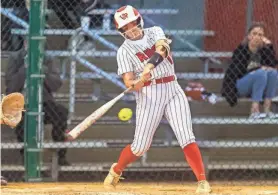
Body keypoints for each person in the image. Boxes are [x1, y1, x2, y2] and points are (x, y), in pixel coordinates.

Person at [103, 5, 211, 194]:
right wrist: (139, 81)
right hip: (149, 96)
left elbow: (162, 49)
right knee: (140, 147)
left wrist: (149, 66)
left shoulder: (154, 32)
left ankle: (202, 181)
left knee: (186, 136)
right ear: (121, 31)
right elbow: (129, 83)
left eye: (133, 24)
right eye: (126, 28)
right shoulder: (124, 51)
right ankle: (116, 169)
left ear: (139, 21)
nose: (131, 29)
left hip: (172, 89)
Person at [5, 40, 70, 166]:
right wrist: (25, 69)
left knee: (61, 113)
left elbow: (56, 84)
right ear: (25, 44)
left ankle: (60, 153)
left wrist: (42, 70)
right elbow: (10, 87)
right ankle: (27, 158)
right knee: (21, 123)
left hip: (44, 101)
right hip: (21, 103)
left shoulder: (47, 58)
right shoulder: (16, 57)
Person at [222, 23, 278, 119]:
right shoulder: (241, 51)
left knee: (273, 73)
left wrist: (269, 46)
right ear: (249, 36)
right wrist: (258, 69)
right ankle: (254, 110)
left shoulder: (263, 51)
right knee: (261, 73)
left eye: (260, 35)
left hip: (258, 86)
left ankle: (267, 109)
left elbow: (272, 65)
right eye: (254, 33)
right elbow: (236, 72)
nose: (257, 37)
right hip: (239, 85)